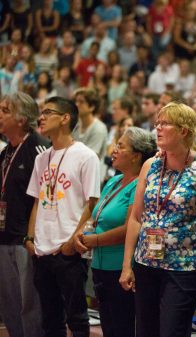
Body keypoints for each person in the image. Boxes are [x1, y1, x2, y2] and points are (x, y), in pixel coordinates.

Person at [119, 102, 196, 337]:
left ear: (184, 130)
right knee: (146, 330)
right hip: (146, 262)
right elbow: (136, 217)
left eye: (164, 124)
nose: (157, 128)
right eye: (157, 123)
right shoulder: (151, 164)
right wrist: (127, 264)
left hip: (183, 266)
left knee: (172, 330)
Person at [24, 96, 101, 337]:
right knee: (50, 318)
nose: (41, 117)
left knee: (77, 318)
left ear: (65, 118)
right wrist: (30, 237)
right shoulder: (41, 157)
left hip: (69, 249)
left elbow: (93, 204)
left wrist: (73, 241)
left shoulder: (86, 156)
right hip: (42, 249)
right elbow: (37, 200)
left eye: (48, 112)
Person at [73, 127, 156, 337]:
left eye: (121, 146)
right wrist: (82, 232)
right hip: (100, 266)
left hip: (121, 268)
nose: (114, 150)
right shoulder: (114, 180)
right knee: (109, 327)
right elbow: (96, 214)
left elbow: (129, 228)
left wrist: (95, 240)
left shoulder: (139, 184)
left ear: (137, 156)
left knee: (122, 327)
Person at [0, 92, 49, 337]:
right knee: (9, 305)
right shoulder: (6, 152)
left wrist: (33, 237)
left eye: (5, 110)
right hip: (3, 237)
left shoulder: (39, 148)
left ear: (21, 119)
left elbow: (47, 198)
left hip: (26, 240)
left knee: (30, 305)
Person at [72, 88, 108, 179]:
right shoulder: (75, 125)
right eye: (76, 101)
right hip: (76, 173)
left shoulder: (99, 128)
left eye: (81, 102)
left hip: (93, 177)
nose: (77, 104)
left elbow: (90, 157)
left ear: (92, 107)